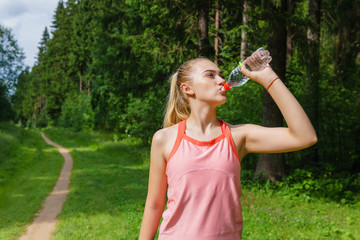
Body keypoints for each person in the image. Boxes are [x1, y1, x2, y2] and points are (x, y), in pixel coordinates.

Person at [138, 57, 317, 240]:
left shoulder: (238, 136)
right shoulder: (164, 139)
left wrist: (268, 78)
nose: (221, 80)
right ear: (187, 88)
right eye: (210, 75)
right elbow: (154, 205)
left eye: (221, 75)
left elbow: (305, 136)